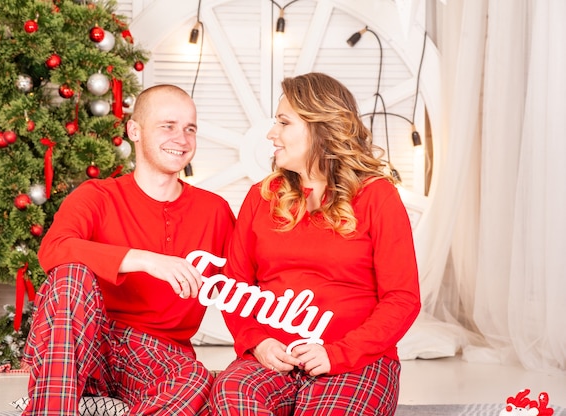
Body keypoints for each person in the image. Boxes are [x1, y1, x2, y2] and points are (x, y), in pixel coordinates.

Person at [209, 72, 421, 415]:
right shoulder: (260, 197)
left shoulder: (376, 196)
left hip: (356, 360)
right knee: (231, 395)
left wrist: (336, 353)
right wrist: (258, 342)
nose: (271, 134)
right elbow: (235, 287)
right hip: (273, 359)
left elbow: (403, 299)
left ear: (320, 128)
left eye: (283, 122)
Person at [21, 84, 235, 415]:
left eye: (190, 129)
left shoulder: (215, 211)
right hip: (86, 342)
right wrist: (144, 260)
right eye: (168, 126)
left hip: (157, 354)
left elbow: (246, 286)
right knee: (70, 274)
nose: (182, 138)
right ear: (134, 130)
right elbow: (54, 249)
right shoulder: (96, 195)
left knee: (195, 380)